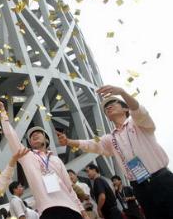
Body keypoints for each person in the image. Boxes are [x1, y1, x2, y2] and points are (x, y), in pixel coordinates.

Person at [57, 84, 173, 219]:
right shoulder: (110, 138)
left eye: (113, 103)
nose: (108, 107)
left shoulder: (138, 123)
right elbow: (91, 144)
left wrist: (122, 92)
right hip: (139, 186)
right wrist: (68, 141)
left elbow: (138, 110)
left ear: (125, 108)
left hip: (160, 179)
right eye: (106, 107)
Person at [0, 95, 89, 219]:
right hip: (47, 210)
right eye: (31, 136)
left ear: (46, 140)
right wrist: (2, 112)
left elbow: (69, 188)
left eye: (38, 133)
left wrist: (83, 211)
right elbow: (11, 136)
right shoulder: (27, 156)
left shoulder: (56, 159)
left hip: (72, 209)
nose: (34, 135)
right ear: (30, 143)